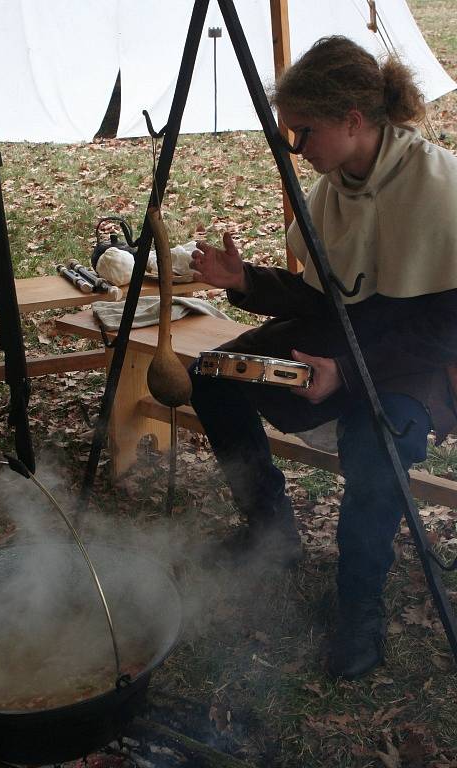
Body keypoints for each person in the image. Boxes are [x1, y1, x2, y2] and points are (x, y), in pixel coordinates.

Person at [189, 35, 457, 680]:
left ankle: (358, 603)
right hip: (345, 338)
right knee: (215, 378)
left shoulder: (441, 188)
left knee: (376, 440)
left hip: (418, 357)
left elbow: (446, 324)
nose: (296, 149)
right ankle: (270, 531)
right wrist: (246, 282)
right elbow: (322, 299)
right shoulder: (337, 187)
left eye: (301, 133)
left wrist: (348, 371)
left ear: (353, 121)